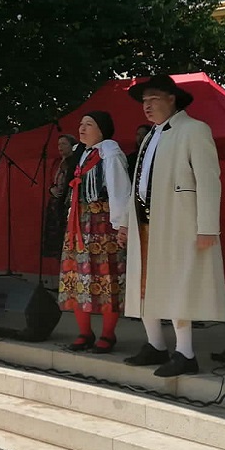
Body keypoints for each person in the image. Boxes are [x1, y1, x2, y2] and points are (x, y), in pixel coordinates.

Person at [121, 74, 225, 377]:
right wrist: (128, 222)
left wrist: (207, 226)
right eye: (144, 100)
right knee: (145, 284)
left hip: (178, 222)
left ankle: (186, 352)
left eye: (153, 98)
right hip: (147, 222)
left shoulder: (194, 130)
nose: (147, 105)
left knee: (180, 284)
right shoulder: (152, 136)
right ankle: (155, 344)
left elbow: (209, 180)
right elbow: (140, 182)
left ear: (172, 98)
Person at [59, 112, 130, 354]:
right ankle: (84, 332)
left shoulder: (109, 152)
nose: (82, 128)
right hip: (79, 222)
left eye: (88, 124)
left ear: (102, 130)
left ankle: (108, 335)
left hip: (103, 224)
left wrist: (121, 224)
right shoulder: (81, 153)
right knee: (78, 277)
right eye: (80, 124)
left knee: (106, 277)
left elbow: (120, 190)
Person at [42, 134, 79, 260]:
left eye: (64, 144)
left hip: (66, 203)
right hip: (55, 201)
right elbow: (53, 180)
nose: (60, 147)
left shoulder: (74, 162)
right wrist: (51, 189)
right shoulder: (58, 162)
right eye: (59, 144)